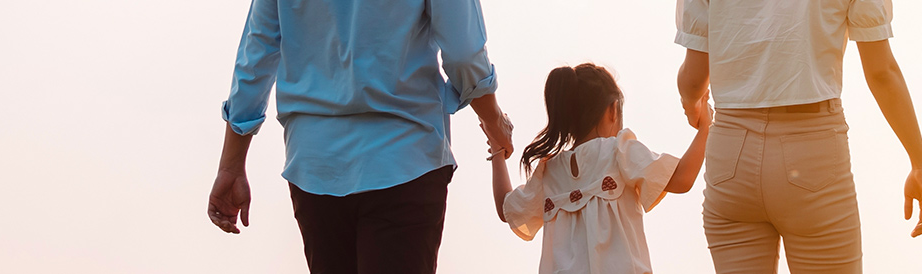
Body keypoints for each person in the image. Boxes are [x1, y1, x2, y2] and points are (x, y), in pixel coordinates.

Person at [204, 0, 514, 273]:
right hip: (405, 158)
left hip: (315, 167)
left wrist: (231, 164)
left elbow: (256, 53)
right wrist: (494, 121)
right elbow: (463, 53)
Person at [674, 0, 922, 273]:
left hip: (730, 152)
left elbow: (693, 78)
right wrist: (920, 162)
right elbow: (882, 73)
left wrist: (692, 102)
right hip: (812, 148)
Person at [487, 64, 712, 273]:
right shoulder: (619, 150)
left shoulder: (549, 171)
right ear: (613, 110)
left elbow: (506, 208)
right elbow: (682, 178)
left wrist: (498, 152)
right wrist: (705, 127)